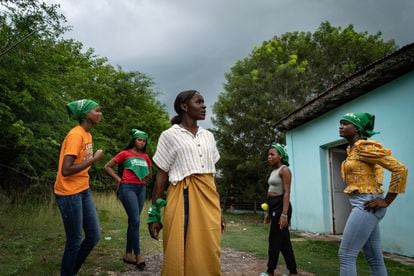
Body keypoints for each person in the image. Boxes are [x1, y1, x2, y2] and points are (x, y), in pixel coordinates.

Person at [148, 90, 224, 276]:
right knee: (180, 244)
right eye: (199, 102)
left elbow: (211, 175)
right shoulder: (169, 135)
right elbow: (161, 175)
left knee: (210, 244)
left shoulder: (208, 136)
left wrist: (219, 210)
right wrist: (154, 213)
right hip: (182, 195)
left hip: (208, 197)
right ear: (184, 106)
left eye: (204, 102)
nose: (204, 106)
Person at [338, 112, 408, 276]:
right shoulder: (352, 149)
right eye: (340, 123)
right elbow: (376, 170)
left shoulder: (364, 147)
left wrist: (387, 200)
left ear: (357, 129)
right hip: (365, 203)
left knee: (346, 255)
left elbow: (400, 169)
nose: (341, 126)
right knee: (374, 259)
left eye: (345, 123)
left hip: (366, 205)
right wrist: (376, 186)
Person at [54, 99, 104, 276]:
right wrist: (94, 159)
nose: (100, 114)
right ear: (86, 114)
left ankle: (69, 271)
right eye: (97, 111)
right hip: (69, 193)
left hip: (83, 190)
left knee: (93, 236)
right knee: (74, 240)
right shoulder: (76, 135)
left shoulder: (87, 134)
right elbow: (66, 170)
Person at [103, 129, 152, 270]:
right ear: (134, 140)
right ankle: (138, 255)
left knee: (133, 221)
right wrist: (119, 179)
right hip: (127, 188)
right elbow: (107, 167)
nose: (142, 143)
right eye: (139, 140)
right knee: (136, 220)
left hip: (141, 189)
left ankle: (127, 254)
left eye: (144, 141)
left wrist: (144, 179)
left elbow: (149, 172)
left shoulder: (145, 156)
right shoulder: (125, 154)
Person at [260, 143, 298, 276]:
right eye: (268, 154)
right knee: (284, 241)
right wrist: (268, 212)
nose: (269, 157)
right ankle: (293, 271)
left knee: (274, 239)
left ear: (280, 156)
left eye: (272, 154)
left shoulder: (284, 170)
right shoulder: (273, 171)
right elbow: (270, 191)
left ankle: (270, 271)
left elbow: (287, 192)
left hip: (282, 206)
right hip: (273, 205)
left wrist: (284, 214)